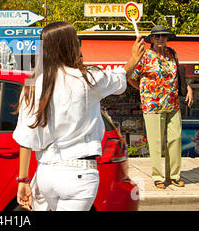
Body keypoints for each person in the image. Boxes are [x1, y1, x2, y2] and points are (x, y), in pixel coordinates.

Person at [13, 21, 145, 211]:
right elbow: (118, 76)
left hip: (46, 173)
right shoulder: (86, 78)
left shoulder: (32, 86)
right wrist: (133, 59)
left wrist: (23, 180)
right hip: (78, 173)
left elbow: (26, 138)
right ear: (71, 45)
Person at [128, 25, 194, 189]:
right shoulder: (144, 56)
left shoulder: (172, 53)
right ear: (151, 39)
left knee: (175, 139)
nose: (160, 39)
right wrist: (144, 90)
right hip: (152, 105)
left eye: (163, 36)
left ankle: (174, 175)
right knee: (156, 142)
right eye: (157, 36)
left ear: (167, 38)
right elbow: (131, 77)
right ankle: (158, 177)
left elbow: (178, 75)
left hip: (172, 103)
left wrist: (188, 87)